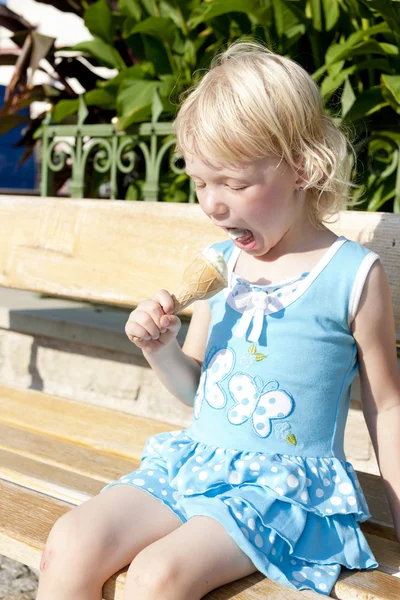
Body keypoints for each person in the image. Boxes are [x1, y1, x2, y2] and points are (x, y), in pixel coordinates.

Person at [36, 40, 400, 599]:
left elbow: (388, 405)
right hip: (196, 465)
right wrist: (161, 349)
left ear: (302, 167)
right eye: (201, 183)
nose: (213, 205)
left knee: (158, 576)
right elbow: (196, 389)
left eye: (232, 183)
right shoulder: (221, 268)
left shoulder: (351, 275)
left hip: (283, 491)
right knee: (71, 539)